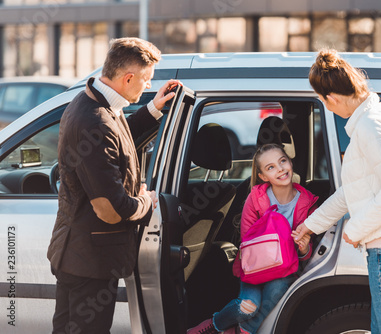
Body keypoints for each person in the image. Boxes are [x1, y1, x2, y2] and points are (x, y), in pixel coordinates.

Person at [292, 49, 381, 334]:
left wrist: (355, 228)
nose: (328, 108)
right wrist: (310, 225)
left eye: (324, 102)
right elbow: (354, 192)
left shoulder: (370, 125)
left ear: (331, 98)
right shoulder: (376, 115)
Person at [47, 37, 181, 334]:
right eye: (146, 79)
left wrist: (154, 110)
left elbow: (114, 144)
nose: (147, 86)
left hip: (80, 256)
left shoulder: (94, 102)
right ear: (128, 77)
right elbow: (110, 209)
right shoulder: (95, 120)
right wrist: (148, 201)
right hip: (89, 262)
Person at [188, 143, 318, 334]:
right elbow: (247, 243)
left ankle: (241, 331)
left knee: (277, 290)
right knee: (247, 306)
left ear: (290, 162)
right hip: (255, 266)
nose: (280, 169)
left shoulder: (307, 203)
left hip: (285, 270)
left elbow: (306, 256)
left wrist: (304, 249)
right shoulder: (256, 199)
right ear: (263, 177)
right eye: (271, 167)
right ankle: (215, 324)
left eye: (283, 161)